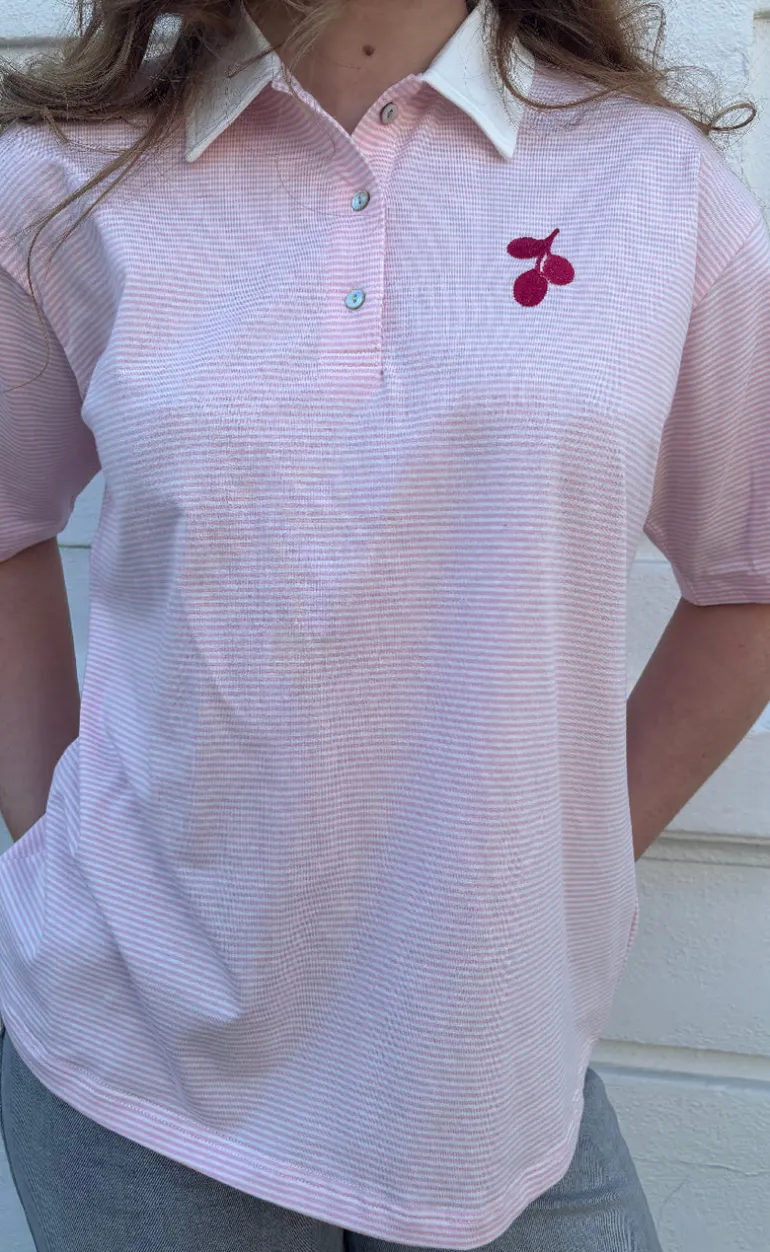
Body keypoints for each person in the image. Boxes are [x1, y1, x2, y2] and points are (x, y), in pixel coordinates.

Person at [1, 0, 769, 1248]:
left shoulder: (651, 184)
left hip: (490, 1075)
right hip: (136, 1077)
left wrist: (557, 856)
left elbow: (750, 570)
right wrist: (54, 836)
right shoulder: (65, 180)